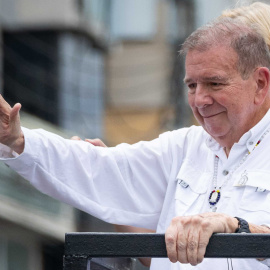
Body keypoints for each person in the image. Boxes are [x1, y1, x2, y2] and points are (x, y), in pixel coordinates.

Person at [1, 16, 270, 270]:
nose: (200, 100)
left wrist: (239, 228)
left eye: (214, 83)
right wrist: (18, 139)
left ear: (259, 83)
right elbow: (98, 169)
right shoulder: (183, 147)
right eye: (191, 86)